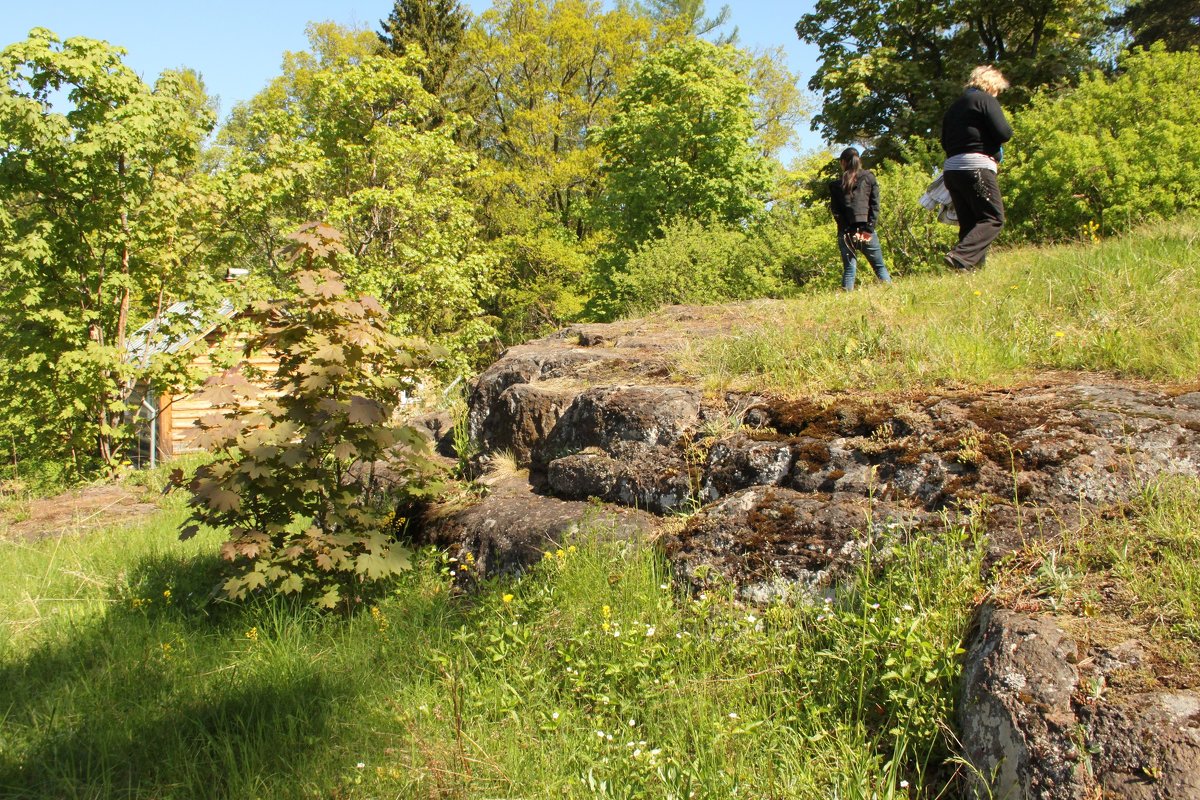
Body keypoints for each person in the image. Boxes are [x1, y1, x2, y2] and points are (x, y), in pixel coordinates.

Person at [940, 65, 1013, 270]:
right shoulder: (985, 100)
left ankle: (970, 272)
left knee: (970, 224)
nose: (997, 94)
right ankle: (960, 256)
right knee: (993, 219)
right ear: (991, 85)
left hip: (952, 170)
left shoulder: (954, 107)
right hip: (976, 167)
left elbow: (944, 141)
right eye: (998, 90)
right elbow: (1004, 133)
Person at [829, 147, 891, 291]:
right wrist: (868, 229)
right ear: (859, 161)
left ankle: (846, 304)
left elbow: (836, 212)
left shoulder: (836, 185)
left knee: (849, 271)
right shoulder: (869, 178)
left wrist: (847, 230)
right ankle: (891, 296)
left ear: (843, 162)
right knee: (879, 267)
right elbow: (875, 206)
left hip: (846, 233)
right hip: (866, 231)